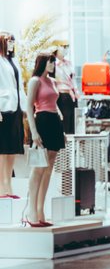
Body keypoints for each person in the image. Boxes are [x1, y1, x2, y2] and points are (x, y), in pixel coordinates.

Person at [23, 52, 66, 227]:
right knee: (39, 167)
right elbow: (28, 106)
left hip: (54, 121)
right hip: (42, 120)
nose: (52, 65)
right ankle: (31, 211)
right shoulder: (35, 81)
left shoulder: (52, 81)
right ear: (42, 63)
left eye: (53, 62)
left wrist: (61, 127)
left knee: (49, 167)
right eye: (50, 62)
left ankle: (41, 210)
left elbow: (55, 103)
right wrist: (33, 132)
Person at [0, 31, 22, 202]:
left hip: (15, 107)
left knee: (13, 147)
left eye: (13, 41)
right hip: (3, 107)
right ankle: (3, 185)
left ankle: (9, 184)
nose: (11, 44)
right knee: (3, 148)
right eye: (8, 41)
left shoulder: (13, 61)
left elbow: (19, 86)